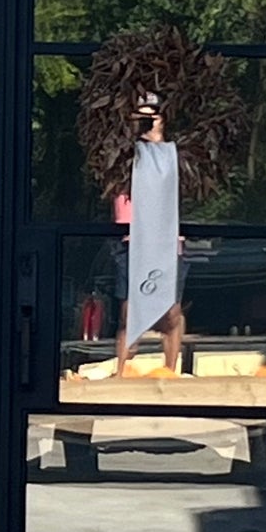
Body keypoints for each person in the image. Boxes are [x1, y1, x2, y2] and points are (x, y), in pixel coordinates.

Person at [111, 89, 186, 377]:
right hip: (131, 241)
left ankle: (170, 372)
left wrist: (157, 138)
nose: (146, 123)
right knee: (130, 312)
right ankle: (120, 372)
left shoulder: (174, 156)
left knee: (171, 313)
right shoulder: (120, 155)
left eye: (151, 117)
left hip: (168, 242)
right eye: (140, 117)